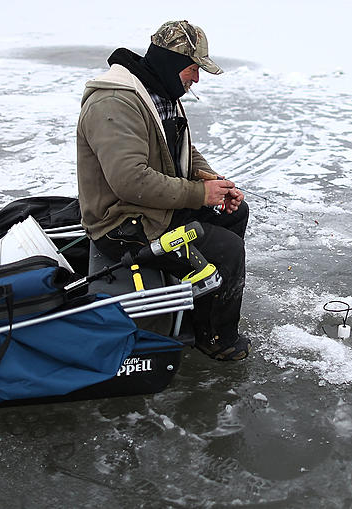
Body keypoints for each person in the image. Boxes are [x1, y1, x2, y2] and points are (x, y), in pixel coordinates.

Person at [76, 20, 251, 361]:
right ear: (171, 64)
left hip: (155, 207)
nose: (196, 79)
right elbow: (130, 181)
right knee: (227, 251)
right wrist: (200, 195)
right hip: (123, 224)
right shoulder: (115, 103)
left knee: (235, 214)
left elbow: (182, 148)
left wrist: (212, 180)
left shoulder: (159, 92)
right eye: (192, 69)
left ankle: (202, 304)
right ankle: (216, 339)